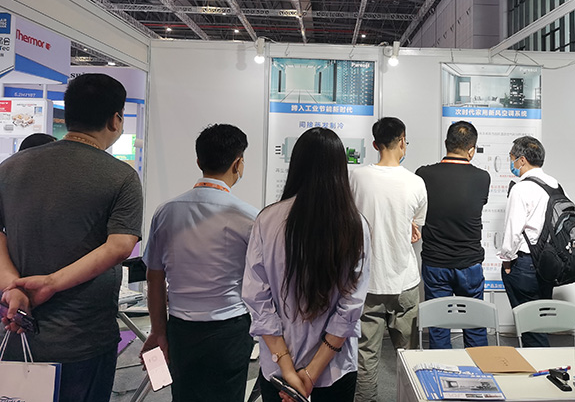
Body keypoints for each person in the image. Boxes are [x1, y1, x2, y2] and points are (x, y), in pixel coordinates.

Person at [0, 73, 143, 402]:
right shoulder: (120, 176)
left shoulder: (11, 167)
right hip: (83, 338)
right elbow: (120, 245)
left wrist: (12, 287)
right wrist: (50, 284)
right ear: (116, 119)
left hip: (17, 326)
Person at [242, 127, 370, 402]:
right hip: (334, 369)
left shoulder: (267, 220)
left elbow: (257, 299)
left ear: (296, 165)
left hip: (279, 372)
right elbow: (351, 305)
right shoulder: (355, 225)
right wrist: (310, 374)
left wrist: (288, 370)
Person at [141, 124, 259, 402]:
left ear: (198, 161)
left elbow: (154, 277)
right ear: (238, 164)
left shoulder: (166, 212)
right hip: (230, 330)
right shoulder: (249, 217)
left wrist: (159, 331)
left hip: (182, 330)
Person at [350, 117, 427, 402]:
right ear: (403, 140)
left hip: (366, 282)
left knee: (365, 356)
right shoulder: (416, 183)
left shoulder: (355, 178)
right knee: (409, 357)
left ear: (375, 144)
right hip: (404, 280)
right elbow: (416, 230)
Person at [416, 121, 490, 349]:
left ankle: (439, 369)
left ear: (446, 143)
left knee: (438, 326)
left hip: (435, 262)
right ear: (472, 149)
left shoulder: (423, 174)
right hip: (469, 263)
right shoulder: (482, 178)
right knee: (475, 323)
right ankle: (480, 368)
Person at [498, 136, 558, 347]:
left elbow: (512, 229)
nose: (511, 163)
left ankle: (540, 362)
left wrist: (507, 261)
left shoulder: (521, 188)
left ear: (521, 160)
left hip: (525, 263)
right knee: (540, 319)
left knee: (529, 325)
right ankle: (544, 359)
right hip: (549, 262)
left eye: (512, 158)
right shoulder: (555, 185)